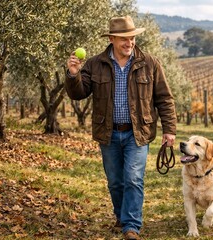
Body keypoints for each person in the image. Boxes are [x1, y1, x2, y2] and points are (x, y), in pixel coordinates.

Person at [65, 15, 176, 240]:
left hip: (138, 133)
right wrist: (74, 74)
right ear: (113, 39)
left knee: (134, 178)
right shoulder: (96, 64)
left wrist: (169, 130)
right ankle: (121, 216)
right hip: (109, 132)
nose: (130, 43)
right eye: (124, 39)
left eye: (132, 38)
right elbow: (78, 93)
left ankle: (131, 226)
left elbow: (164, 98)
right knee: (116, 181)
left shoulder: (150, 63)